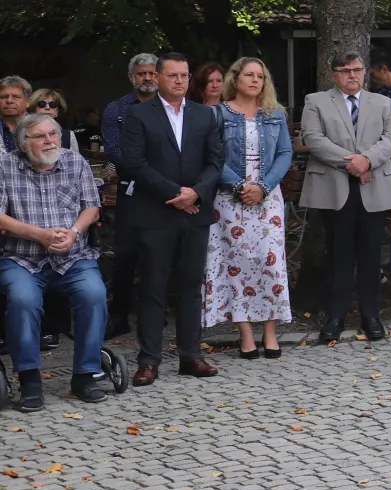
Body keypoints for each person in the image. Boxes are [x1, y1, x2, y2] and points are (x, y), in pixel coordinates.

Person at [121, 52, 225, 385]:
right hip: (156, 212)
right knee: (153, 287)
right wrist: (176, 194)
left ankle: (190, 356)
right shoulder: (138, 114)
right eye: (172, 75)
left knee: (190, 287)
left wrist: (196, 193)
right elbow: (134, 164)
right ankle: (148, 361)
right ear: (158, 78)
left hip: (195, 213)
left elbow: (216, 162)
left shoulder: (204, 115)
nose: (179, 81)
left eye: (184, 75)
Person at [0, 113, 110, 408]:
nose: (50, 141)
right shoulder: (4, 166)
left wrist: (73, 234)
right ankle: (30, 380)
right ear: (23, 144)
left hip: (73, 256)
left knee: (94, 294)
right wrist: (39, 235)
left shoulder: (75, 162)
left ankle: (85, 375)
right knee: (22, 300)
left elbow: (92, 208)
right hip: (22, 258)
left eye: (53, 134)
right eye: (40, 136)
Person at [300, 52, 391, 344]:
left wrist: (367, 161)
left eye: (357, 69)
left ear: (364, 72)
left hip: (374, 187)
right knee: (338, 255)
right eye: (345, 70)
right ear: (334, 75)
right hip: (334, 188)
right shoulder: (316, 101)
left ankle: (371, 315)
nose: (352, 75)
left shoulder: (382, 103)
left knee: (371, 256)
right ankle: (336, 316)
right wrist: (351, 163)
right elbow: (313, 138)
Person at [204, 58, 294, 358]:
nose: (255, 80)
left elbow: (285, 153)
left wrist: (263, 187)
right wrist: (240, 186)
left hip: (268, 196)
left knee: (270, 262)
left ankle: (270, 332)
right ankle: (245, 335)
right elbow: (213, 156)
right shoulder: (218, 114)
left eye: (261, 76)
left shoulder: (275, 114)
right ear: (235, 78)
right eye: (249, 75)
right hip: (230, 198)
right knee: (236, 264)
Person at [102, 52, 160, 339]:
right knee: (125, 254)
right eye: (141, 73)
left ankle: (153, 314)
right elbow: (114, 150)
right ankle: (120, 315)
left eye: (151, 73)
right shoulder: (116, 110)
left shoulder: (170, 107)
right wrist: (147, 173)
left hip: (164, 192)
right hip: (132, 189)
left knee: (158, 255)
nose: (147, 78)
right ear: (131, 77)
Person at [28, 89, 79, 153]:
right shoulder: (24, 133)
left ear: (57, 111)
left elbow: (75, 158)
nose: (47, 107)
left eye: (53, 104)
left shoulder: (69, 135)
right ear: (33, 109)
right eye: (41, 104)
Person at [0, 76, 32, 154]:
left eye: (16, 97)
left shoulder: (39, 126)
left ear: (28, 102)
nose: (9, 101)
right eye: (4, 97)